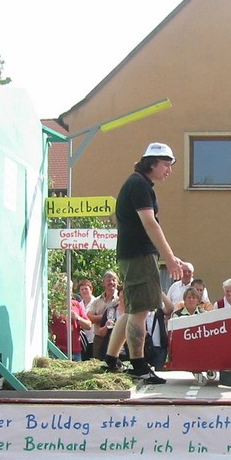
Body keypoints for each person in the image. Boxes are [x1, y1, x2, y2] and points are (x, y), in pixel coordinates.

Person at [104, 142, 183, 384]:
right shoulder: (139, 185)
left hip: (131, 255)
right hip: (139, 255)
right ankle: (139, 366)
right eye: (166, 165)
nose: (169, 170)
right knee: (140, 311)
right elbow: (150, 223)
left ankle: (111, 358)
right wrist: (169, 257)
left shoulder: (137, 183)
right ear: (152, 163)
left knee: (132, 309)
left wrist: (169, 256)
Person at [49, 294, 92, 361]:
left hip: (76, 352)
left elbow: (89, 325)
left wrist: (77, 318)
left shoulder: (76, 304)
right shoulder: (54, 306)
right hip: (58, 351)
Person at [88, 270, 120, 361]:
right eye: (108, 280)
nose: (111, 282)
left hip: (115, 337)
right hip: (99, 338)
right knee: (97, 363)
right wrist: (106, 318)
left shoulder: (120, 299)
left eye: (114, 280)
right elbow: (90, 317)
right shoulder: (97, 300)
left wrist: (98, 318)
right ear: (103, 283)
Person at [145, 293, 173, 371]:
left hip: (160, 348)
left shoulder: (160, 308)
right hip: (145, 347)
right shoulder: (141, 310)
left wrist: (159, 291)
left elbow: (170, 309)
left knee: (158, 371)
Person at [77, 279, 98, 361]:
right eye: (82, 289)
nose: (84, 291)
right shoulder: (79, 305)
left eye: (86, 289)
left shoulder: (96, 302)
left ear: (91, 289)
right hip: (83, 339)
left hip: (94, 338)